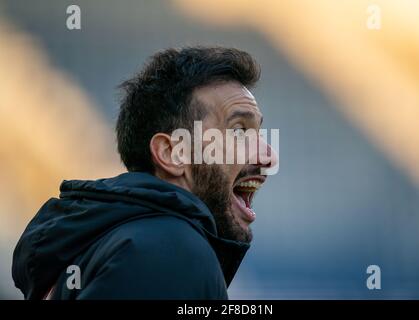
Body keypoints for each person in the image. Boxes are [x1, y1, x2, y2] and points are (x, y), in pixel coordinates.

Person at [12, 46, 277, 299]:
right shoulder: (171, 252)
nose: (268, 156)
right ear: (171, 153)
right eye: (239, 131)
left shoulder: (115, 244)